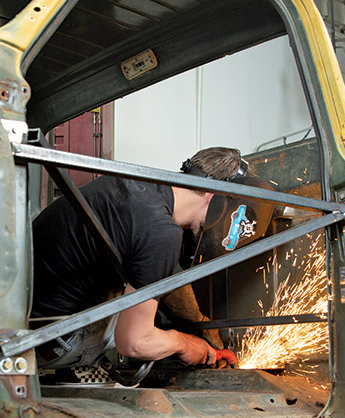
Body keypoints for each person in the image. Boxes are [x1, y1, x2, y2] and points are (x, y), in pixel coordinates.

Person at [31, 147, 247, 370]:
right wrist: (185, 343)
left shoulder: (139, 184)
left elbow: (152, 269)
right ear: (217, 198)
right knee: (147, 332)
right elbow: (133, 343)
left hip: (23, 319)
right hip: (48, 342)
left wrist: (200, 324)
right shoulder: (162, 232)